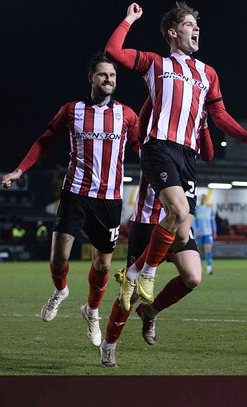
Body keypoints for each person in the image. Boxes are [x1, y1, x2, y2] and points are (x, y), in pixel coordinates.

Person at [104, 1, 247, 309]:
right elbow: (113, 52)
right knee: (178, 212)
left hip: (187, 158)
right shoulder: (156, 63)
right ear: (172, 32)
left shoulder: (207, 73)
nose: (197, 29)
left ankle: (136, 276)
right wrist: (129, 19)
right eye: (190, 24)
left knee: (182, 238)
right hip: (160, 146)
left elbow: (219, 114)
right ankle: (146, 273)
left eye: (197, 25)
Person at [1, 52, 139, 347]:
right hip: (75, 193)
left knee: (102, 265)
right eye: (103, 75)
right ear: (91, 78)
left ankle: (91, 311)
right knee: (58, 257)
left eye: (113, 76)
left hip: (110, 200)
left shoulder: (127, 115)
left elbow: (144, 149)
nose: (109, 80)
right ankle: (60, 291)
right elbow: (45, 140)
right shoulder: (71, 110)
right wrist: (19, 169)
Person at [99, 102, 214, 368]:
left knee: (193, 277)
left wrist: (205, 126)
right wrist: (154, 97)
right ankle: (109, 345)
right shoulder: (152, 139)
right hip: (148, 223)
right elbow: (140, 126)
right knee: (132, 292)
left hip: (180, 222)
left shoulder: (188, 143)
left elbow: (207, 152)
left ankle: (150, 313)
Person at [193, 194, 217, 274]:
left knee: (208, 251)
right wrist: (196, 231)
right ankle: (199, 267)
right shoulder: (197, 209)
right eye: (202, 198)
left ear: (206, 199)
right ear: (200, 199)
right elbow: (193, 222)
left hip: (208, 233)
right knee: (199, 252)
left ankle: (209, 268)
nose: (203, 200)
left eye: (204, 199)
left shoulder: (209, 209)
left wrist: (214, 231)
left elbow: (213, 221)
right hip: (199, 234)